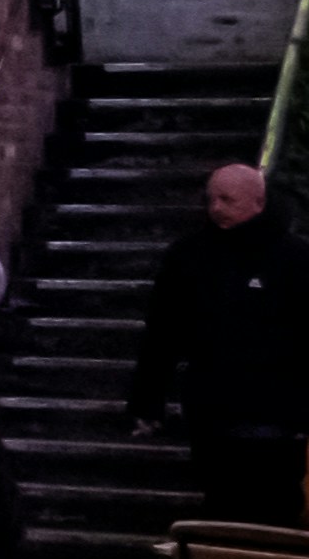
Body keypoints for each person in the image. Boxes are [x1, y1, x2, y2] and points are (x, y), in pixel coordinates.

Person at [131, 158, 309, 530]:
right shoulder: (189, 256)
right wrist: (148, 398)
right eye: (211, 200)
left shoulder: (293, 259)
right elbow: (163, 331)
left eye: (227, 200)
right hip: (213, 406)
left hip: (277, 409)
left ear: (258, 202)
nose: (216, 209)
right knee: (221, 502)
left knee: (274, 506)